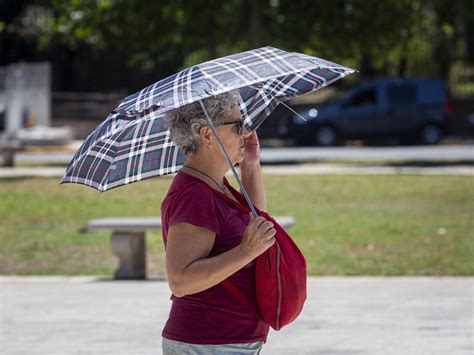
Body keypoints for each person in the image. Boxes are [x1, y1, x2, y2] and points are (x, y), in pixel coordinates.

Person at [160, 90, 276, 354]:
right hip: (207, 343)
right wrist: (245, 252)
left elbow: (255, 222)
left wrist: (250, 166)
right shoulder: (194, 196)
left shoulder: (216, 184)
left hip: (226, 341)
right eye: (237, 126)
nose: (246, 132)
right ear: (207, 135)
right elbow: (180, 281)